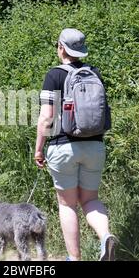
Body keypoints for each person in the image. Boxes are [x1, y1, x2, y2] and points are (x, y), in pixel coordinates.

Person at [34, 28, 116, 261]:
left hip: (63, 146)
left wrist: (39, 149)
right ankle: (105, 236)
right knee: (90, 199)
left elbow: (46, 118)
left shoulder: (55, 75)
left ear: (61, 47)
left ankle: (74, 258)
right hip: (94, 146)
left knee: (67, 204)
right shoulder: (95, 73)